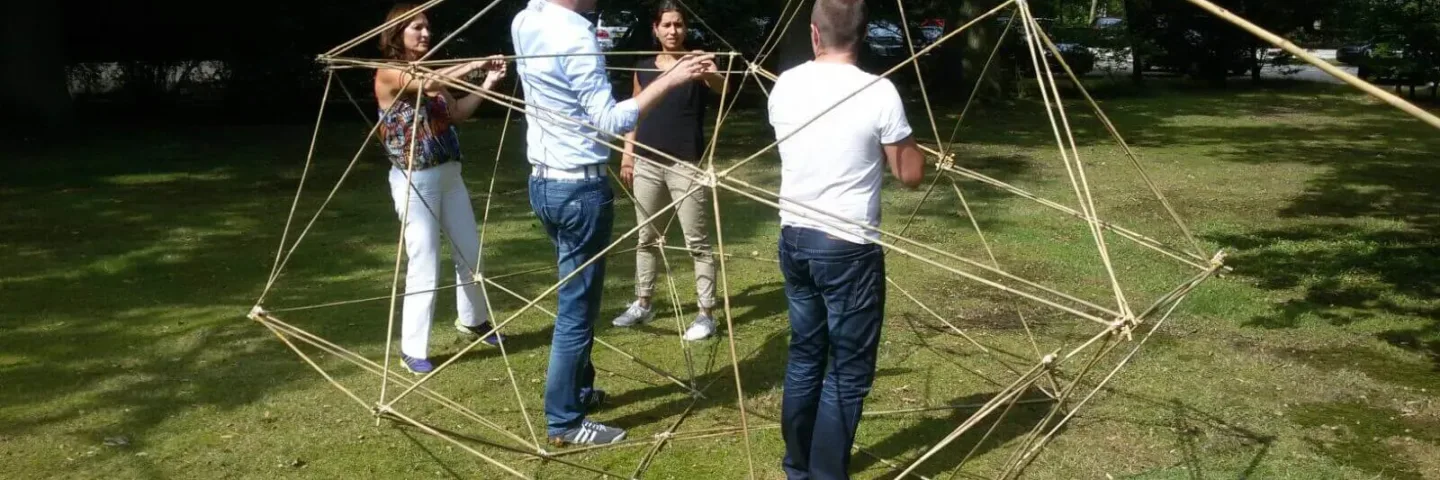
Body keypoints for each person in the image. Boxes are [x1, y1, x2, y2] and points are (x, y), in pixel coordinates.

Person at [510, 0, 715, 447]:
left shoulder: (525, 19)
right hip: (577, 190)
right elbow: (611, 119)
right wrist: (671, 79)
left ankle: (580, 392)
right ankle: (564, 420)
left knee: (575, 298)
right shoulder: (576, 34)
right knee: (576, 311)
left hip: (542, 183)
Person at [766, 0, 925, 478]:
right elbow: (910, 174)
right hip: (847, 247)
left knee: (806, 353)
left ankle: (798, 465)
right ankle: (823, 474)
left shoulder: (786, 84)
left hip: (794, 237)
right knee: (847, 371)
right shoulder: (879, 91)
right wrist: (907, 148)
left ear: (815, 34)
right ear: (862, 36)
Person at [374, 3, 510, 374]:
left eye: (427, 28)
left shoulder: (433, 73)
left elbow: (459, 114)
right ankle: (413, 348)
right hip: (415, 181)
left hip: (450, 174)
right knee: (425, 262)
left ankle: (474, 320)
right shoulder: (389, 72)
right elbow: (427, 86)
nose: (425, 33)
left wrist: (487, 83)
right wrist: (474, 64)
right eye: (416, 28)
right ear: (397, 33)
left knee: (470, 252)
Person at [611, 2, 725, 341]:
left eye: (678, 25)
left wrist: (707, 69)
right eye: (666, 25)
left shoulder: (697, 64)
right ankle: (644, 302)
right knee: (645, 237)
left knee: (697, 242)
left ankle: (706, 314)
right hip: (646, 162)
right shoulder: (643, 67)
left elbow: (722, 88)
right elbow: (634, 113)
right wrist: (627, 155)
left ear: (685, 28)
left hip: (684, 164)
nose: (673, 31)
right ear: (656, 29)